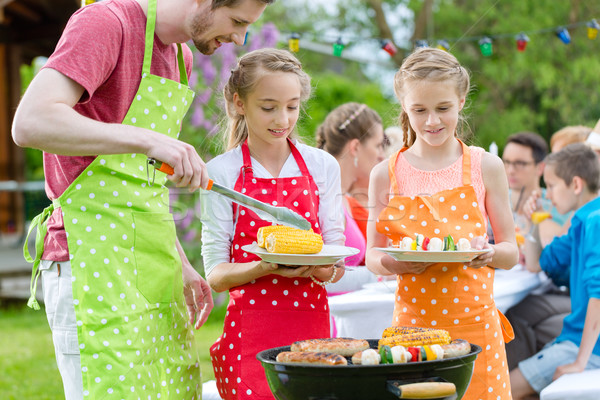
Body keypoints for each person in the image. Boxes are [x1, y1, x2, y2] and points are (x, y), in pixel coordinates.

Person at [11, 0, 274, 398]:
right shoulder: (106, 23)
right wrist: (149, 138)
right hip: (91, 258)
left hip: (154, 263)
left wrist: (180, 262)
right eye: (236, 22)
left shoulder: (180, 57)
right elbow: (30, 122)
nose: (239, 38)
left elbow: (142, 179)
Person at [365, 48, 519, 400]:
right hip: (412, 329)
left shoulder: (486, 166)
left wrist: (490, 252)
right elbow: (372, 253)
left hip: (476, 327)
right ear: (404, 106)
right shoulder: (384, 174)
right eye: (419, 110)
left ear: (461, 101)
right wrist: (393, 263)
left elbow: (511, 253)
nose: (432, 120)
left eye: (443, 108)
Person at [200, 48, 346, 400]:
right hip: (250, 333)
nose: (283, 119)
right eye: (268, 107)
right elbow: (216, 276)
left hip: (312, 334)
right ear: (239, 103)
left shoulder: (322, 166)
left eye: (292, 107)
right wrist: (264, 267)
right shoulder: (220, 173)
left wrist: (322, 269)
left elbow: (337, 259)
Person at [511, 143, 600, 399]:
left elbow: (599, 293)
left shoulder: (595, 221)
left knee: (502, 389)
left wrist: (580, 362)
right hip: (575, 341)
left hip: (587, 349)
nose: (547, 195)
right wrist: (533, 222)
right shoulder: (582, 221)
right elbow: (541, 263)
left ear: (575, 185)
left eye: (551, 186)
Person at [500, 132, 572, 370]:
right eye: (507, 162)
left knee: (511, 316)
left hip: (555, 290)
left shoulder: (554, 202)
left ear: (540, 167)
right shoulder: (492, 202)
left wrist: (532, 222)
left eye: (520, 163)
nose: (511, 170)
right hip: (512, 283)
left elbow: (550, 250)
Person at [316, 102, 386, 265]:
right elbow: (323, 276)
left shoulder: (344, 199)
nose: (382, 155)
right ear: (354, 147)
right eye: (378, 145)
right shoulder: (323, 197)